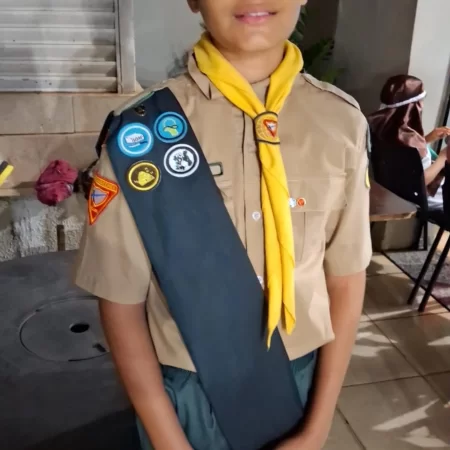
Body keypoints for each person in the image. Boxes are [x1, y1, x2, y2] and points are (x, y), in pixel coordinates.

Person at [73, 1, 372, 449]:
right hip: (186, 393)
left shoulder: (342, 123)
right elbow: (120, 301)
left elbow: (345, 279)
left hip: (300, 382)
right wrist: (170, 441)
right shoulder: (140, 135)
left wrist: (318, 428)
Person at [368, 74, 450, 210]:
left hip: (396, 193)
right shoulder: (411, 139)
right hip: (431, 199)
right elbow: (419, 182)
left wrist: (427, 139)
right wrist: (443, 158)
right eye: (421, 100)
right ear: (414, 105)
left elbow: (408, 159)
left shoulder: (380, 131)